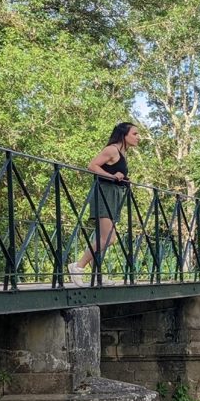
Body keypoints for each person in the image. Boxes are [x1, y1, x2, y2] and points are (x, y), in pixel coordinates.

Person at [68, 122, 138, 286]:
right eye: (134, 134)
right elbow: (92, 166)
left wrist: (122, 179)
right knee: (109, 238)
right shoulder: (112, 149)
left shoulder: (121, 153)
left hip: (113, 195)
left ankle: (96, 274)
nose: (138, 137)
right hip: (104, 193)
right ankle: (78, 267)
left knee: (104, 237)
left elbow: (115, 173)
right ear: (124, 134)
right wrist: (112, 176)